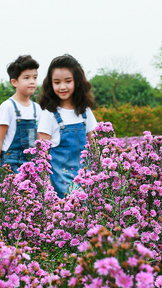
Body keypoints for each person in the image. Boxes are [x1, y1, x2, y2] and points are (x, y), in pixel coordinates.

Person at [37, 54, 97, 198]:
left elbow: (96, 145)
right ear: (50, 84)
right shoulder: (49, 114)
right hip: (61, 182)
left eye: (68, 81)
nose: (62, 87)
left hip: (86, 179)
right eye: (57, 82)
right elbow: (42, 155)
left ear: (77, 82)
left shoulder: (85, 112)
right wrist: (46, 186)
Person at [0, 55, 42, 174]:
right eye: (26, 78)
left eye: (35, 77)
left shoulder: (37, 109)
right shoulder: (8, 107)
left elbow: (39, 142)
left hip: (33, 165)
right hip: (11, 164)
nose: (32, 82)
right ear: (14, 82)